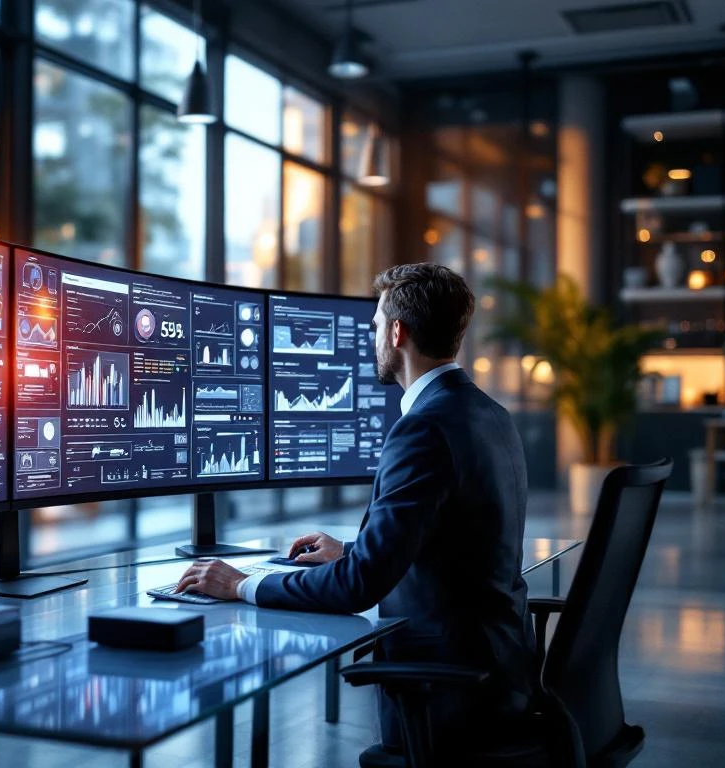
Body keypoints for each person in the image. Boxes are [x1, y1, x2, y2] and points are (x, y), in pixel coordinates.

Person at [174, 264, 535, 766]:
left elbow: (358, 586)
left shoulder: (423, 429)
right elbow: (457, 540)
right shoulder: (490, 414)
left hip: (451, 693)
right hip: (503, 671)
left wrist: (242, 585)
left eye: (373, 327)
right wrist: (352, 550)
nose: (371, 340)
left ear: (396, 332)